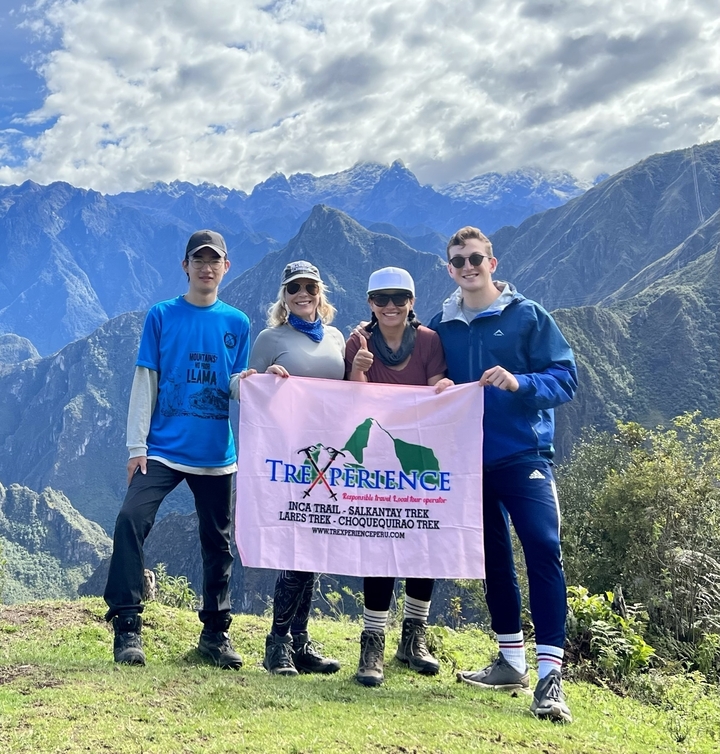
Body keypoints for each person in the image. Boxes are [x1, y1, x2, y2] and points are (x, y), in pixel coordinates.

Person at [428, 226, 578, 722]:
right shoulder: (441, 325)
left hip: (524, 456)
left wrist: (520, 382)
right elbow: (424, 377)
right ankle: (511, 660)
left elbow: (566, 377)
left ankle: (550, 677)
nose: (468, 268)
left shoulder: (527, 316)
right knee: (491, 556)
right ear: (449, 269)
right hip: (468, 460)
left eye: (476, 259)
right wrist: (437, 383)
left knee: (542, 548)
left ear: (493, 263)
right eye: (458, 262)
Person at [103, 229, 250, 669]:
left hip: (216, 455)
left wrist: (268, 381)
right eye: (198, 260)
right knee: (131, 519)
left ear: (226, 267)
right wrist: (136, 446)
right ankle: (127, 626)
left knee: (218, 544)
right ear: (185, 266)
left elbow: (237, 385)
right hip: (162, 449)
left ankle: (214, 634)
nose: (206, 267)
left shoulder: (237, 322)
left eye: (214, 260)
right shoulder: (162, 315)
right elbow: (145, 379)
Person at [345, 266, 453, 687]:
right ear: (370, 304)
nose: (390, 306)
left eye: (399, 298)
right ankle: (372, 640)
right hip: (378, 458)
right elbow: (348, 403)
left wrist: (444, 387)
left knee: (422, 538)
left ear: (412, 302)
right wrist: (357, 368)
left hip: (419, 452)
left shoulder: (428, 341)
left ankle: (413, 637)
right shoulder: (359, 342)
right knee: (381, 541)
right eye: (381, 299)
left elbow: (435, 383)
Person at [247, 260, 346, 677]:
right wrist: (265, 378)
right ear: (283, 298)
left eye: (309, 286)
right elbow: (242, 386)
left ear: (320, 292)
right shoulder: (271, 338)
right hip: (289, 456)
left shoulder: (338, 338)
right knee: (295, 546)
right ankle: (278, 643)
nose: (302, 294)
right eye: (293, 289)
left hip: (330, 455)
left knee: (314, 545)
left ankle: (300, 642)